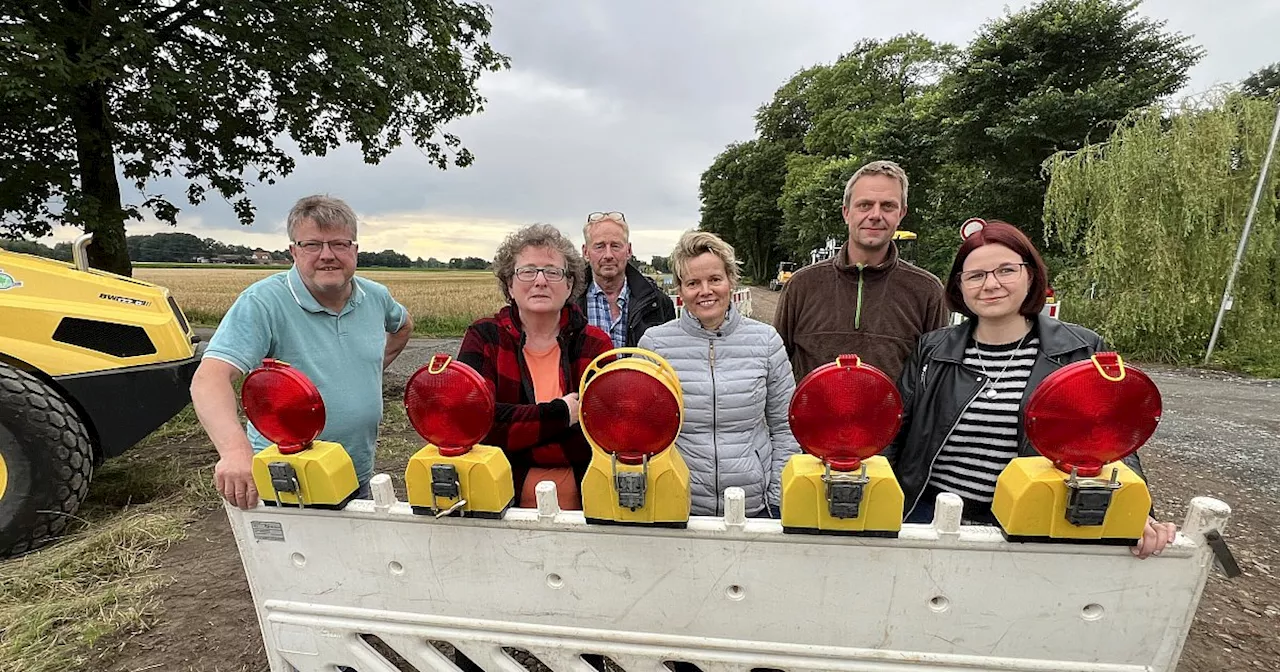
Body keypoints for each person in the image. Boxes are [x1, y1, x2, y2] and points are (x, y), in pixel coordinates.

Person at [885, 218, 1177, 559]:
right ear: (959, 287)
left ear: (1031, 275)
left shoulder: (1078, 349)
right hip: (930, 513)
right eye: (976, 275)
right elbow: (895, 428)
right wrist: (882, 501)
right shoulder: (932, 349)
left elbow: (1111, 440)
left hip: (1031, 518)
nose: (990, 284)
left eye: (1006, 270)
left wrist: (1138, 510)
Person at [191, 195, 413, 509]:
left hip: (357, 471)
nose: (327, 256)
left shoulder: (376, 296)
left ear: (355, 250)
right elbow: (208, 379)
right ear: (294, 251)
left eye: (339, 244)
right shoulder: (263, 302)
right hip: (288, 481)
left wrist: (371, 370)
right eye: (312, 245)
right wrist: (235, 452)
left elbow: (403, 326)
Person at [638, 230, 800, 518]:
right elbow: (644, 432)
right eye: (693, 283)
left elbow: (786, 426)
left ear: (730, 281)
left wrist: (776, 496)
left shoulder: (765, 341)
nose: (705, 291)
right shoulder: (654, 345)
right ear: (679, 288)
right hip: (680, 506)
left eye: (714, 279)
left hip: (753, 506)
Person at [457, 223, 614, 511]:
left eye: (553, 272)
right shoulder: (484, 337)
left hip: (585, 507)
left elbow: (601, 434)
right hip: (495, 503)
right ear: (509, 285)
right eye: (527, 271)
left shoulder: (594, 344)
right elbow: (475, 423)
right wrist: (562, 414)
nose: (540, 281)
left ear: (569, 285)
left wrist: (517, 430)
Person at [774, 160, 947, 383]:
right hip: (813, 418)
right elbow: (776, 369)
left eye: (887, 206)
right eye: (864, 205)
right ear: (846, 212)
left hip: (898, 419)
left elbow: (935, 379)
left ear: (901, 214)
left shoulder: (926, 291)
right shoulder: (801, 285)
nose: (875, 215)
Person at [576, 210, 676, 349]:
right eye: (600, 246)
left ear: (628, 250)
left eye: (615, 246)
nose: (608, 255)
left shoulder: (658, 303)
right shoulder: (567, 302)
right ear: (586, 252)